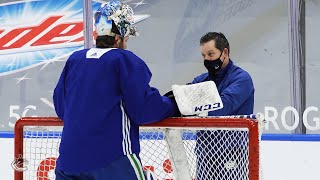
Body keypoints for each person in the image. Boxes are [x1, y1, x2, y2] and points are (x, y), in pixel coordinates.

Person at [53, 1, 178, 179]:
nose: (126, 43)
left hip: (68, 161)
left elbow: (61, 107)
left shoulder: (75, 59)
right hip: (112, 159)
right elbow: (143, 110)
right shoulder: (123, 60)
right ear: (118, 38)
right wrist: (172, 104)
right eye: (126, 38)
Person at [191, 32, 255, 179]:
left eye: (210, 54)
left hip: (233, 152)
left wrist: (194, 107)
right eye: (203, 55)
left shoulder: (242, 79)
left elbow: (222, 107)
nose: (207, 59)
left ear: (224, 52)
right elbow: (183, 101)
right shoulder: (201, 80)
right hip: (205, 153)